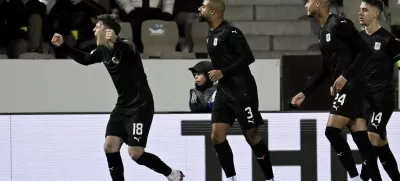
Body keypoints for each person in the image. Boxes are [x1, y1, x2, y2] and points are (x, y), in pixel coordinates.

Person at [50, 14, 184, 181]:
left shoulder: (126, 45)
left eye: (97, 26)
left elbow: (130, 50)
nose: (93, 29)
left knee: (136, 154)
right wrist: (63, 46)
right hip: (122, 106)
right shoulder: (102, 51)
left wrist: (116, 41)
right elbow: (85, 59)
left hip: (140, 105)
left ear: (107, 31)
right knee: (109, 146)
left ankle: (171, 174)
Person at [291, 0, 382, 180]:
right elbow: (326, 70)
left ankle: (355, 177)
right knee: (362, 140)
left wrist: (345, 76)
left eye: (308, 1)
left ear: (318, 3)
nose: (305, 5)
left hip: (353, 86)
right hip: (346, 88)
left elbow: (364, 51)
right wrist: (306, 92)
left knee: (331, 131)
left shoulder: (339, 24)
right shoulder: (322, 31)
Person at [198, 0, 274, 180]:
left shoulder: (231, 32)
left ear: (214, 10)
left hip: (242, 90)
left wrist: (223, 71)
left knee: (252, 135)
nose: (199, 8)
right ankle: (232, 178)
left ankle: (270, 178)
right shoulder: (211, 33)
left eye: (203, 6)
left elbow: (248, 57)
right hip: (224, 91)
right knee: (217, 136)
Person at [358, 0, 400, 180]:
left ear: (376, 14)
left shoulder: (389, 40)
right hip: (364, 100)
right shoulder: (357, 39)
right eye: (360, 10)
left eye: (365, 10)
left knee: (371, 138)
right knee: (380, 145)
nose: (360, 13)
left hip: (383, 99)